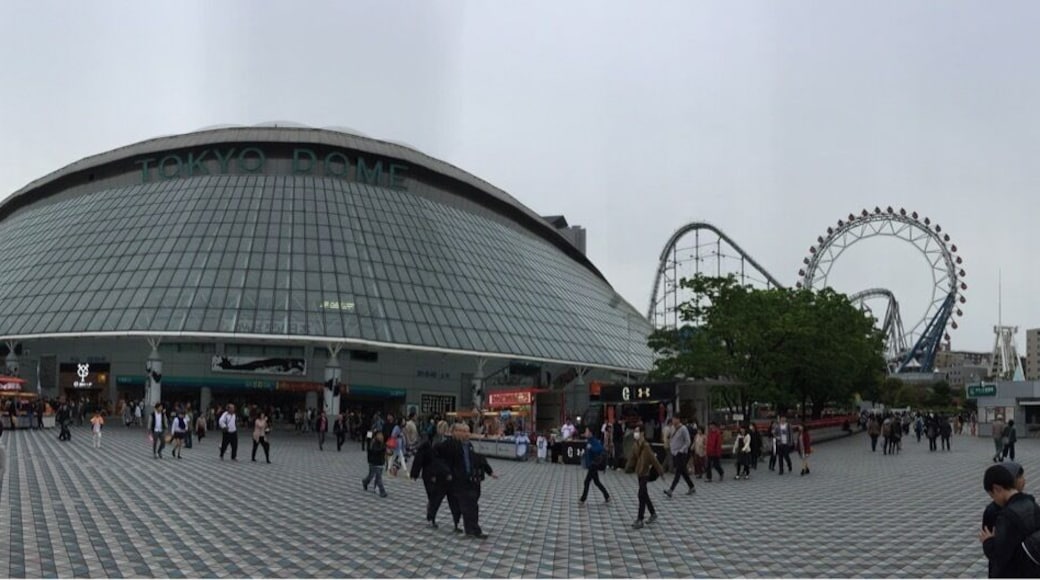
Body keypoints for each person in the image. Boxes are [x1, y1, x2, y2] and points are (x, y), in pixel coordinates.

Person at [979, 463, 1040, 577]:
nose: (994, 500)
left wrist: (987, 542)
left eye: (992, 495)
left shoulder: (1006, 517)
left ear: (997, 489)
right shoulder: (1033, 505)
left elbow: (1000, 556)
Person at [439, 422, 495, 539]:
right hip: (459, 481)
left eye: (467, 431)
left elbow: (479, 459)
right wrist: (448, 474)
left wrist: (489, 471)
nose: (466, 434)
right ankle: (472, 530)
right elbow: (441, 461)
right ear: (455, 432)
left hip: (472, 479)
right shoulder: (450, 445)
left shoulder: (469, 445)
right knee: (466, 506)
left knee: (473, 506)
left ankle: (473, 529)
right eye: (463, 431)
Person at [625, 424, 664, 529]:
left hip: (645, 473)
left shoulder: (646, 446)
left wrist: (661, 472)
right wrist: (628, 467)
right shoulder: (635, 445)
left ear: (642, 433)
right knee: (644, 494)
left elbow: (654, 460)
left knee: (641, 494)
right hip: (639, 472)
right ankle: (653, 513)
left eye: (637, 431)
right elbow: (632, 458)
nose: (635, 433)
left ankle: (640, 519)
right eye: (635, 431)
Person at [410, 436, 450, 527]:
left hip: (438, 474)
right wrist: (414, 473)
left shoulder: (443, 445)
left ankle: (431, 514)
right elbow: (418, 460)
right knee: (432, 495)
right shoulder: (425, 447)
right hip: (429, 475)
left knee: (435, 496)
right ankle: (431, 514)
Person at [664, 416, 695, 497]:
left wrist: (681, 450)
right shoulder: (672, 428)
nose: (673, 421)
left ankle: (671, 490)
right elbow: (671, 438)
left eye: (675, 419)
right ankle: (691, 486)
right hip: (674, 453)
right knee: (683, 471)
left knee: (678, 472)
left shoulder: (683, 429)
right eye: (673, 419)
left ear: (678, 419)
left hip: (681, 454)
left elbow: (688, 441)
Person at [579, 427, 610, 505]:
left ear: (590, 433)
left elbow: (600, 449)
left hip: (594, 465)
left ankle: (583, 498)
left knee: (587, 481)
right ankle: (607, 496)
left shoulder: (594, 441)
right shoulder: (589, 441)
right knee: (597, 482)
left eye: (587, 432)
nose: (585, 433)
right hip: (591, 465)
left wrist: (591, 448)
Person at [363, 432, 388, 497]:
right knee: (375, 476)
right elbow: (375, 451)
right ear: (376, 436)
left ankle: (366, 482)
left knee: (375, 476)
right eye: (379, 435)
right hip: (373, 462)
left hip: (380, 463)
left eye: (381, 435)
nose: (381, 436)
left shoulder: (383, 443)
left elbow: (384, 452)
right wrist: (371, 431)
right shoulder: (373, 443)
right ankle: (382, 491)